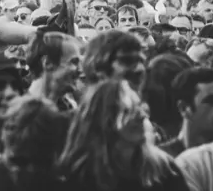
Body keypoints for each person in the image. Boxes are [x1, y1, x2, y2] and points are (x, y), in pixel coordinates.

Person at [57, 79, 188, 191]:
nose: (142, 116)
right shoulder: (80, 177)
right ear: (105, 120)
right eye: (128, 111)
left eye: (140, 107)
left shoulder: (163, 169)